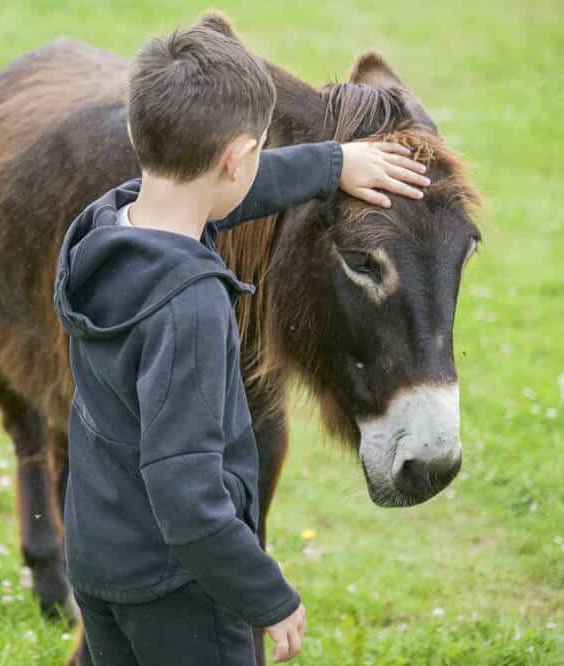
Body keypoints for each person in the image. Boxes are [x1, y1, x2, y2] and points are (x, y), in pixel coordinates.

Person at [52, 11, 429, 665]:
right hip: (185, 591)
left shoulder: (106, 228)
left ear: (139, 130)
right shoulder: (191, 306)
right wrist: (267, 595)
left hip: (99, 563)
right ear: (239, 159)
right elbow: (188, 496)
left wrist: (333, 162)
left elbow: (218, 197)